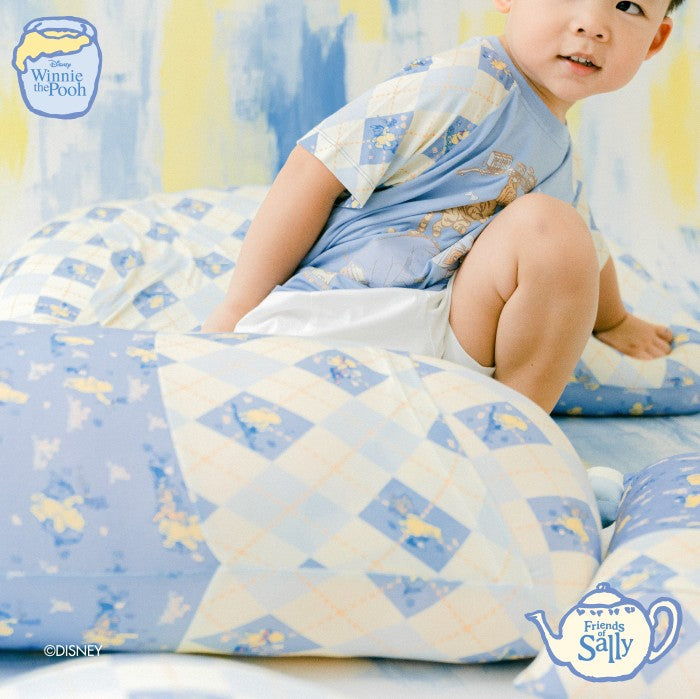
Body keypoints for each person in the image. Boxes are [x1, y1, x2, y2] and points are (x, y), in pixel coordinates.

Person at [203, 0, 682, 413]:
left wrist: (615, 320)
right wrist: (239, 306)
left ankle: (513, 422)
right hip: (347, 313)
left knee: (556, 229)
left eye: (628, 6)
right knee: (552, 223)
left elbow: (585, 253)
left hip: (451, 342)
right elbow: (314, 168)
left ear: (655, 40)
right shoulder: (464, 81)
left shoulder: (561, 154)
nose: (592, 24)